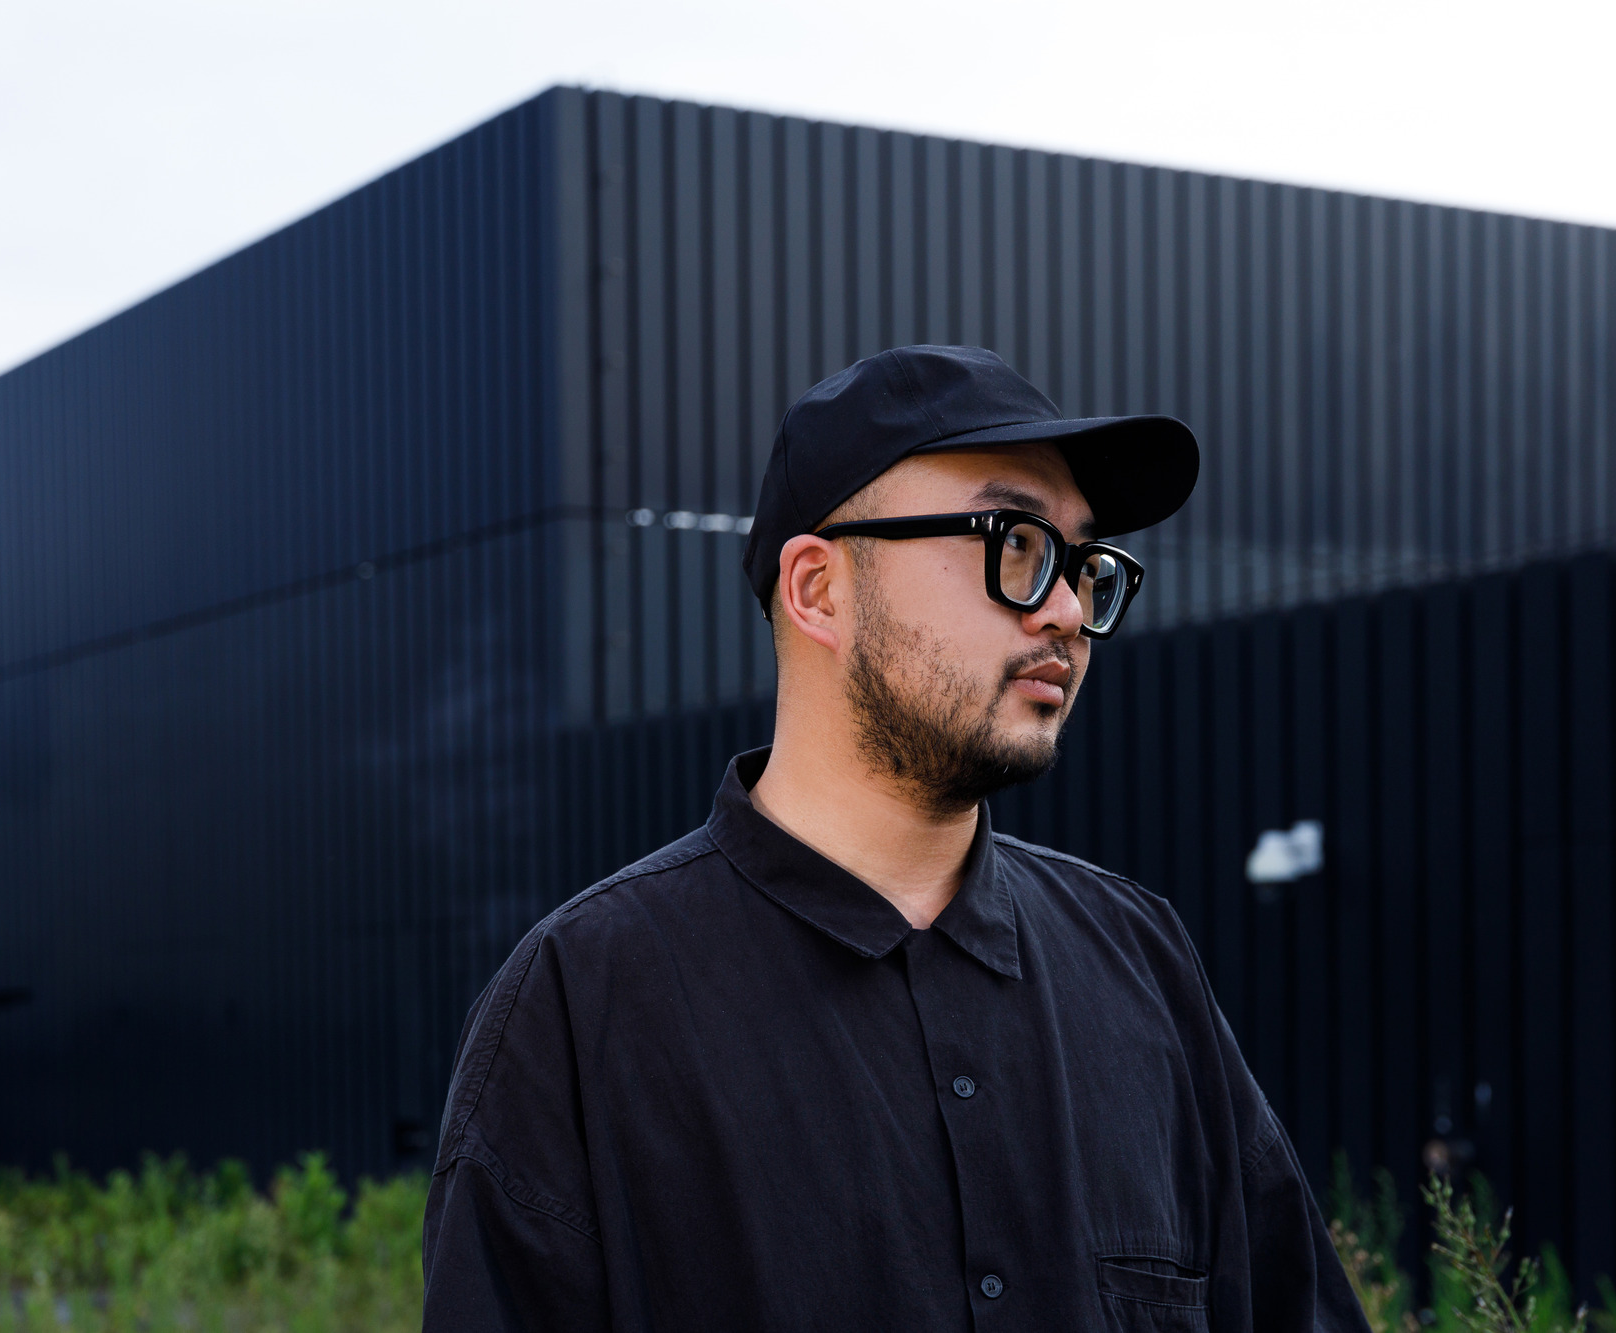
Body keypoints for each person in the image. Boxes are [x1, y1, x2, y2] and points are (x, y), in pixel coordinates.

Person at [421, 346, 1368, 1332]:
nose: (1065, 611)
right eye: (1012, 544)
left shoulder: (1140, 963)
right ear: (818, 589)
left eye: (1084, 565)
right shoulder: (582, 1008)